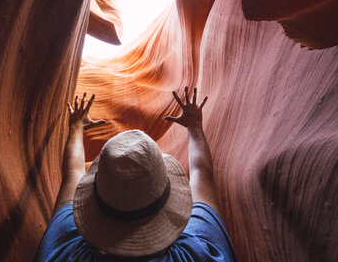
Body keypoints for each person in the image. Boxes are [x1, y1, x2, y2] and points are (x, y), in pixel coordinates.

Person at [36, 87, 238, 261]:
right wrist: (194, 126)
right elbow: (201, 174)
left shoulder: (61, 251)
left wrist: (76, 127)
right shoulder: (200, 254)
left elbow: (72, 174)